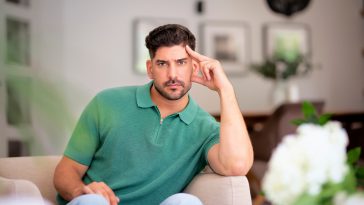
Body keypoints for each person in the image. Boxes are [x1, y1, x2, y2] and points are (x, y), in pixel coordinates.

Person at [53, 24, 253, 205]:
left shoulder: (205, 127)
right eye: (162, 64)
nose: (173, 74)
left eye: (181, 62)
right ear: (150, 69)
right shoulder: (106, 103)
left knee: (186, 202)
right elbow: (65, 173)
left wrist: (224, 89)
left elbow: (236, 166)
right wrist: (84, 192)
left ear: (194, 67)